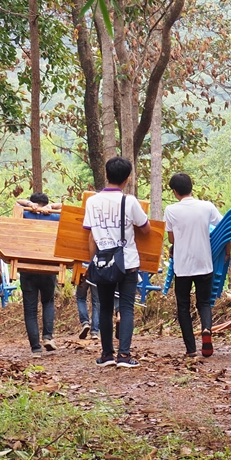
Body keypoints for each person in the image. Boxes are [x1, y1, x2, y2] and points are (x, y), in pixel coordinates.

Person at [83, 157, 151, 368]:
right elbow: (146, 228)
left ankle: (106, 355)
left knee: (104, 307)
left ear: (106, 175)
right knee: (127, 307)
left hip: (103, 262)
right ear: (127, 179)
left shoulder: (92, 201)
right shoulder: (130, 201)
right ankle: (124, 355)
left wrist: (91, 262)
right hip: (127, 261)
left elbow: (90, 235)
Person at [164, 172, 223, 358]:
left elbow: (171, 238)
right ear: (191, 187)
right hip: (204, 263)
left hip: (183, 267)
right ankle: (206, 329)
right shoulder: (207, 207)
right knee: (204, 303)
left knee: (183, 305)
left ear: (175, 191)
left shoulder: (171, 210)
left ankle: (190, 348)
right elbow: (221, 225)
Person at [19, 192, 60, 356]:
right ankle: (48, 337)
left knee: (30, 310)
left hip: (27, 268)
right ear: (46, 203)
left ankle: (35, 347)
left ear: (33, 202)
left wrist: (28, 205)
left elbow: (17, 203)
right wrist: (52, 207)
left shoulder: (24, 214)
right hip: (49, 267)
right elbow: (67, 208)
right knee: (48, 302)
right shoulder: (55, 217)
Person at [75, 271, 100, 340]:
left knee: (81, 298)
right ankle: (95, 331)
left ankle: (85, 322)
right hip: (96, 271)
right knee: (96, 302)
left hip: (82, 270)